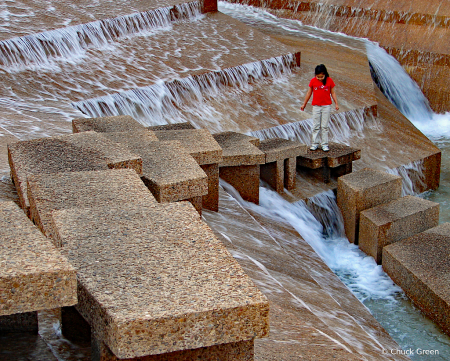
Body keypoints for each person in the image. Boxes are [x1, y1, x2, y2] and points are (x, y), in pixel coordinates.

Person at [300, 64, 339, 152]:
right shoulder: (313, 81)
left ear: (325, 74)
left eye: (322, 76)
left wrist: (336, 103)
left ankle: (324, 144)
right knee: (316, 126)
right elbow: (309, 93)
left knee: (324, 126)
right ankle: (315, 144)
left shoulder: (329, 81)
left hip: (326, 106)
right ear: (315, 75)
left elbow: (333, 93)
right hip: (316, 106)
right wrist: (304, 104)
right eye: (318, 77)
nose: (320, 78)